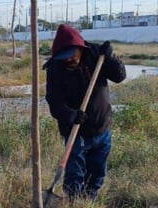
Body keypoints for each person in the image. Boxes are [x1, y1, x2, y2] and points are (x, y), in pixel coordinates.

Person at [43, 24, 126, 201]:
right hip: (76, 132)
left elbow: (119, 77)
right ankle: (74, 202)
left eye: (72, 56)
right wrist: (69, 114)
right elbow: (54, 101)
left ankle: (90, 201)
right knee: (75, 174)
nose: (68, 61)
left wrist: (112, 58)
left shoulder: (97, 55)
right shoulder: (55, 68)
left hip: (101, 127)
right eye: (64, 58)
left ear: (80, 49)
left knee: (97, 173)